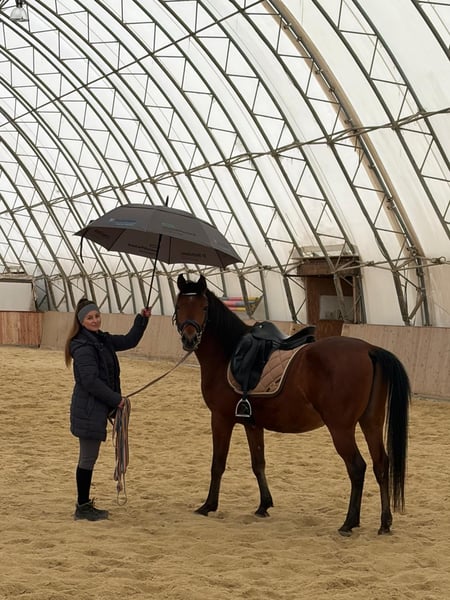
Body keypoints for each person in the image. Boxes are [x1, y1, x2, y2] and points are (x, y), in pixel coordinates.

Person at [64, 297, 151, 521]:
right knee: (87, 458)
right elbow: (90, 381)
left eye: (96, 316)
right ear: (81, 321)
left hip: (95, 407)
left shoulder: (102, 339)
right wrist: (116, 400)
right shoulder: (83, 346)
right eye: (89, 318)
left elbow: (129, 340)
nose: (95, 320)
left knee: (88, 457)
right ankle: (83, 507)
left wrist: (142, 320)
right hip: (89, 409)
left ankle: (83, 504)